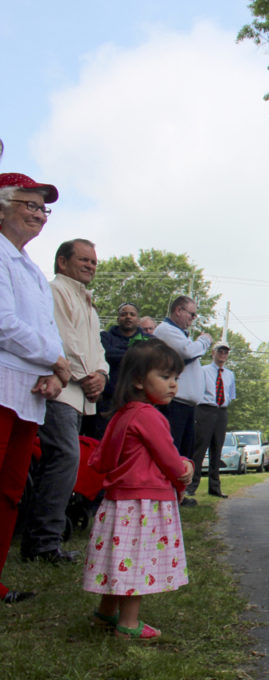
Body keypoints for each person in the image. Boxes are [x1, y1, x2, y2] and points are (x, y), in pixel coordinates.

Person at [83, 339, 193, 640]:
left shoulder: (120, 415)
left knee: (119, 557)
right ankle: (129, 625)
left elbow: (102, 458)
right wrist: (185, 468)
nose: (173, 385)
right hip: (142, 503)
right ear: (138, 381)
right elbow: (169, 458)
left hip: (117, 503)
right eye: (165, 377)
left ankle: (105, 612)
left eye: (176, 379)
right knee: (136, 562)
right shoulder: (149, 416)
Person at [0, 172, 70, 603]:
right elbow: (5, 324)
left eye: (43, 209)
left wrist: (57, 371)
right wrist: (56, 360)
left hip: (29, 393)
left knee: (9, 491)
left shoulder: (28, 265)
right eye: (29, 205)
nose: (39, 216)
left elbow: (46, 329)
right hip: (4, 385)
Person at [21, 238, 109, 564]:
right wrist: (88, 376)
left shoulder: (86, 300)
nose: (91, 266)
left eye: (94, 262)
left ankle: (43, 540)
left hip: (79, 393)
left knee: (63, 463)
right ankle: (43, 543)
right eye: (84, 260)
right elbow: (62, 340)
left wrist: (102, 374)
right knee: (63, 461)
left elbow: (96, 347)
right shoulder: (55, 291)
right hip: (61, 389)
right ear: (62, 262)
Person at [152, 296, 211, 507]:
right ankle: (165, 493)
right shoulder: (166, 331)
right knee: (172, 450)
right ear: (178, 310)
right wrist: (204, 340)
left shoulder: (180, 334)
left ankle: (177, 494)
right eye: (191, 314)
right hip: (173, 403)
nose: (193, 319)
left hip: (187, 405)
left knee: (184, 453)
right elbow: (188, 351)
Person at [87, 302, 149, 438]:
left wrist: (121, 354)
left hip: (136, 401)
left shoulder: (148, 340)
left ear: (138, 320)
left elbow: (149, 358)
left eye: (132, 314)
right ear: (118, 318)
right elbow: (106, 354)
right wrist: (134, 354)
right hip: (108, 401)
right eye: (124, 314)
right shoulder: (105, 337)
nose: (128, 317)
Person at [190, 340, 235, 498]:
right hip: (205, 410)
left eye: (225, 352)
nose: (223, 354)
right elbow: (197, 390)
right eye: (220, 351)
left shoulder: (229, 374)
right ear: (213, 353)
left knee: (217, 449)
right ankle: (191, 486)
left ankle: (215, 487)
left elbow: (230, 395)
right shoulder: (203, 371)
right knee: (199, 449)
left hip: (221, 411)